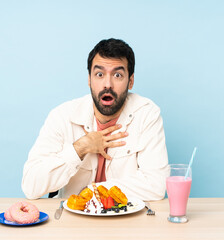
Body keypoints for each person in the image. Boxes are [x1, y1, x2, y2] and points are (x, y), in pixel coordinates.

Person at [22, 38, 168, 200]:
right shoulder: (62, 116)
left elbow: (157, 186)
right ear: (89, 80)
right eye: (99, 74)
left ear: (130, 81)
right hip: (72, 221)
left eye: (118, 75)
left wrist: (92, 191)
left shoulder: (147, 114)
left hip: (126, 221)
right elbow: (30, 186)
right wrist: (80, 148)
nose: (108, 84)